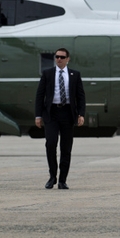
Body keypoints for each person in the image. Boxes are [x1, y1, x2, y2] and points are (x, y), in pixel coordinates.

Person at [35, 48, 86, 190]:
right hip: (52, 113)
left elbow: (80, 96)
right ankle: (52, 176)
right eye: (57, 57)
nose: (59, 59)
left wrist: (81, 114)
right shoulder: (47, 74)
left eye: (62, 57)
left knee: (66, 147)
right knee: (50, 143)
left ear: (68, 59)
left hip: (68, 114)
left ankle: (63, 180)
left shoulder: (75, 75)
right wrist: (38, 115)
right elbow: (40, 96)